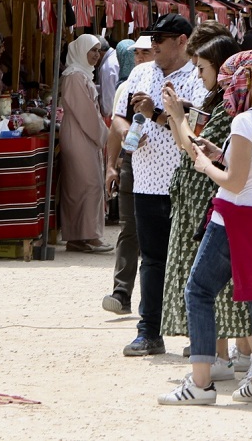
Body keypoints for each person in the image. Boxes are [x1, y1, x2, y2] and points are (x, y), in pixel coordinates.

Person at [157, 50, 252, 406]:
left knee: (198, 291)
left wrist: (205, 162)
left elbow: (233, 182)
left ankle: (201, 383)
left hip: (235, 216)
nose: (225, 94)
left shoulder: (244, 122)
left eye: (227, 85)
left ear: (243, 82)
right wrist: (217, 154)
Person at [110, 14, 208, 357]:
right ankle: (149, 331)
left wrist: (155, 114)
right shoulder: (140, 73)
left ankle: (199, 334)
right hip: (146, 181)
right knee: (152, 260)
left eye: (160, 38)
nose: (153, 44)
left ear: (181, 40)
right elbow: (120, 115)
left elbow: (196, 126)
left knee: (190, 261)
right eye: (152, 38)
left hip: (184, 183)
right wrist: (125, 132)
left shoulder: (196, 77)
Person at [160, 28, 252, 378]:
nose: (197, 75)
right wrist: (176, 117)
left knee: (208, 284)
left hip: (208, 201)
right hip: (197, 199)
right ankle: (230, 356)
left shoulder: (227, 109)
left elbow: (195, 147)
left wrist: (176, 115)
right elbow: (185, 142)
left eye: (202, 68)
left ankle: (219, 358)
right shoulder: (218, 103)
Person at [101, 36, 152, 315]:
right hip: (132, 163)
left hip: (162, 169)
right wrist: (112, 165)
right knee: (129, 229)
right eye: (138, 52)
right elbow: (116, 125)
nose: (141, 56)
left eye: (146, 51)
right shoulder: (128, 85)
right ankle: (121, 292)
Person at [59, 34, 111, 253]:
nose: (96, 55)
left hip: (84, 134)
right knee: (88, 184)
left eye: (98, 51)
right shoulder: (74, 77)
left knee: (84, 185)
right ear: (81, 51)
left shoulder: (82, 75)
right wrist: (104, 134)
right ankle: (85, 236)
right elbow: (85, 113)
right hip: (79, 134)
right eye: (92, 50)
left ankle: (83, 236)